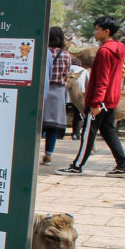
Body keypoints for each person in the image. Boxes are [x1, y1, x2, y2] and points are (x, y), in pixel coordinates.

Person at [58, 16, 125, 177]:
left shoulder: (104, 52)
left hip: (100, 100)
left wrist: (96, 103)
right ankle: (122, 164)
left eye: (97, 29)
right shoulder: (118, 49)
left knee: (87, 132)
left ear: (107, 31)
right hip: (111, 98)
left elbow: (102, 79)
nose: (95, 32)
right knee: (108, 131)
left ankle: (77, 165)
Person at [41, 27, 71, 165]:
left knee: (39, 123)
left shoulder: (43, 52)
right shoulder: (66, 55)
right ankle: (48, 155)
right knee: (53, 125)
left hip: (43, 89)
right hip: (58, 91)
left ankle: (34, 150)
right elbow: (66, 73)